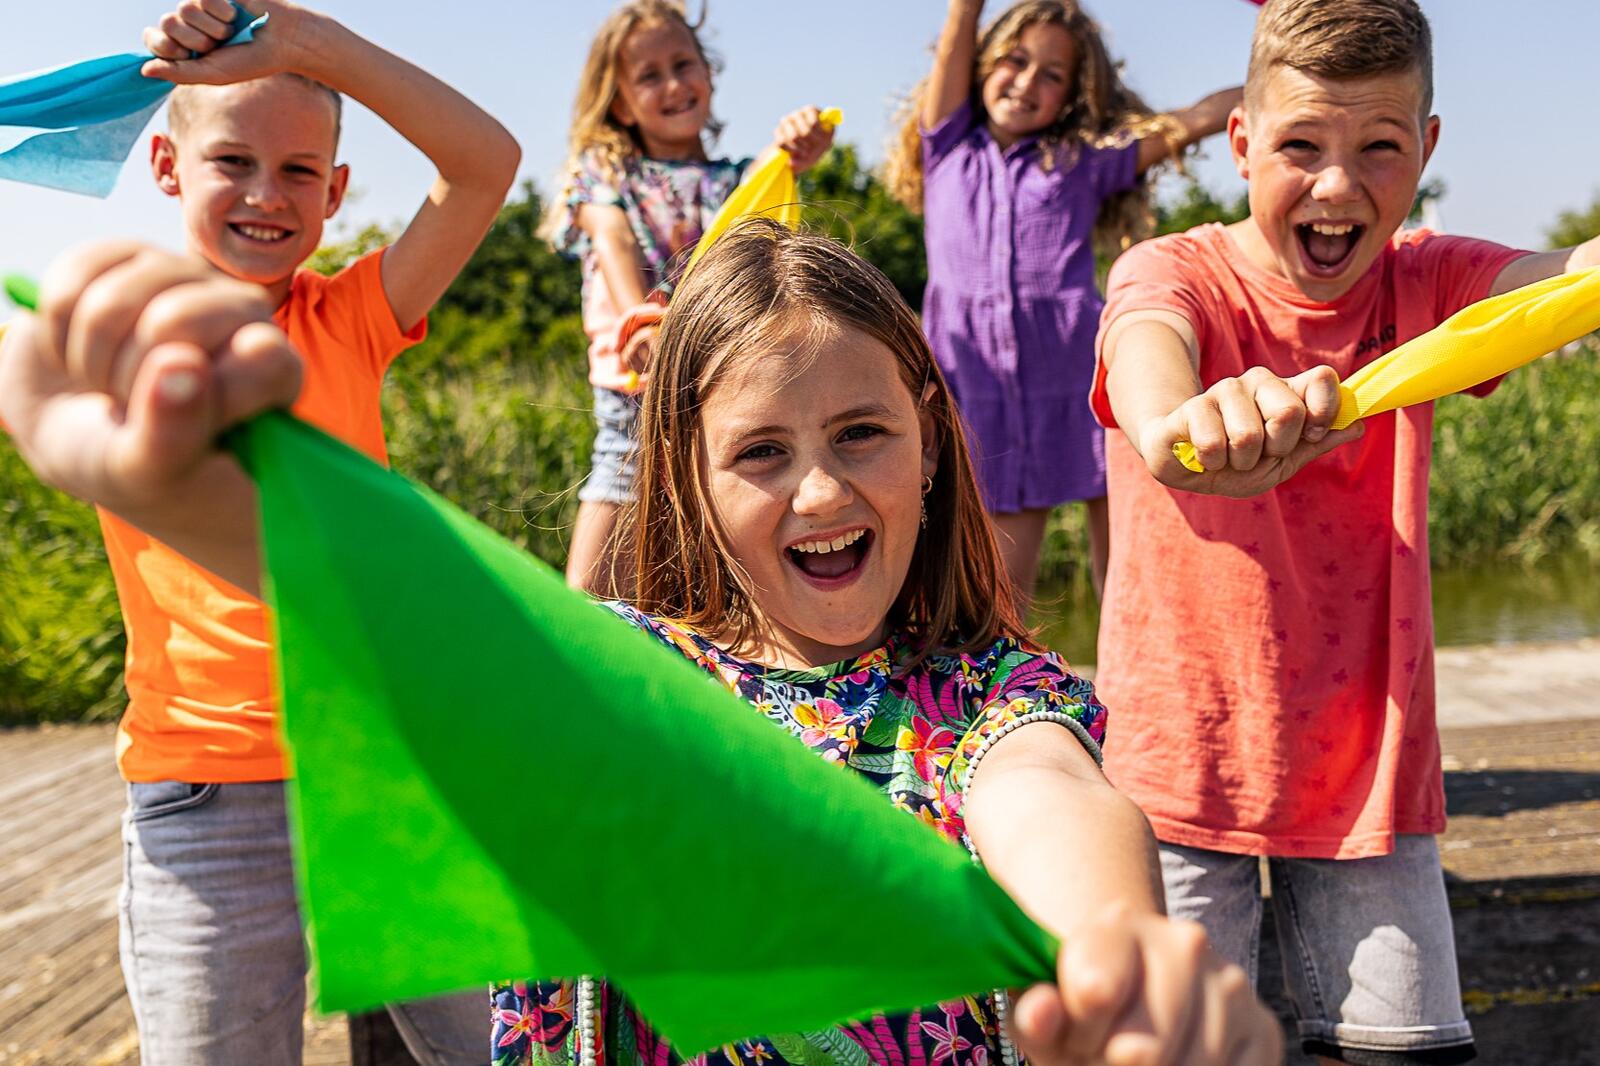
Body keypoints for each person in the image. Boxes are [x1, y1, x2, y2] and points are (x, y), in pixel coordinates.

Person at [0, 220, 1284, 1066]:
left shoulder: (990, 698)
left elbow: (1048, 792)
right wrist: (211, 495)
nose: (823, 494)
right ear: (687, 479)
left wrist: (1113, 956)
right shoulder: (633, 679)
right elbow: (443, 636)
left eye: (861, 435)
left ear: (936, 443)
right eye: (762, 454)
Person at [1091, 0, 1600, 1061]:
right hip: (1179, 777)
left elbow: (1565, 288)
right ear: (1239, 143)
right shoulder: (1170, 272)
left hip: (1372, 781)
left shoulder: (1430, 279)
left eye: (1379, 147)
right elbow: (1150, 376)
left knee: (1411, 1047)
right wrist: (1190, 421)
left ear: (1425, 148)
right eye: (1299, 146)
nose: (1336, 185)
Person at [30, 0, 517, 1060]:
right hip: (205, 801)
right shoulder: (117, 337)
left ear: (337, 193)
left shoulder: (351, 318)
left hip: (385, 775)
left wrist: (309, 44)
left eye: (300, 171)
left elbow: (485, 162)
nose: (266, 193)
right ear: (166, 167)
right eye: (233, 161)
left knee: (490, 1049)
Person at [884, 0, 1240, 606]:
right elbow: (954, 42)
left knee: (1126, 581)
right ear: (984, 64)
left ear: (1070, 95)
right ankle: (1003, 698)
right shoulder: (947, 147)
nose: (1026, 82)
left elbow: (1190, 122)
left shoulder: (1078, 162)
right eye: (1015, 61)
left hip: (1088, 390)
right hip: (980, 395)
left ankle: (1134, 691)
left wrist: (1280, 74)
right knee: (999, 593)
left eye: (1052, 74)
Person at [547, 0, 834, 595]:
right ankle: (582, 616)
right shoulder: (606, 174)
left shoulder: (735, 180)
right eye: (649, 76)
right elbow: (615, 239)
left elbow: (773, 191)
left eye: (684, 65)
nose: (673, 84)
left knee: (718, 492)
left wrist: (801, 140)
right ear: (621, 101)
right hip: (640, 370)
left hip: (719, 369)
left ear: (709, 73)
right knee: (622, 469)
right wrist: (644, 325)